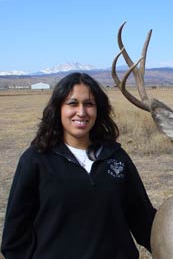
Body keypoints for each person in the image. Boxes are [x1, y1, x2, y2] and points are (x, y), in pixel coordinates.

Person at [1, 72, 156, 259]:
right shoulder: (35, 160)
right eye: (72, 103)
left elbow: (144, 221)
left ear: (98, 110)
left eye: (89, 104)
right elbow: (15, 237)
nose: (81, 112)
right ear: (58, 108)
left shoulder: (116, 158)